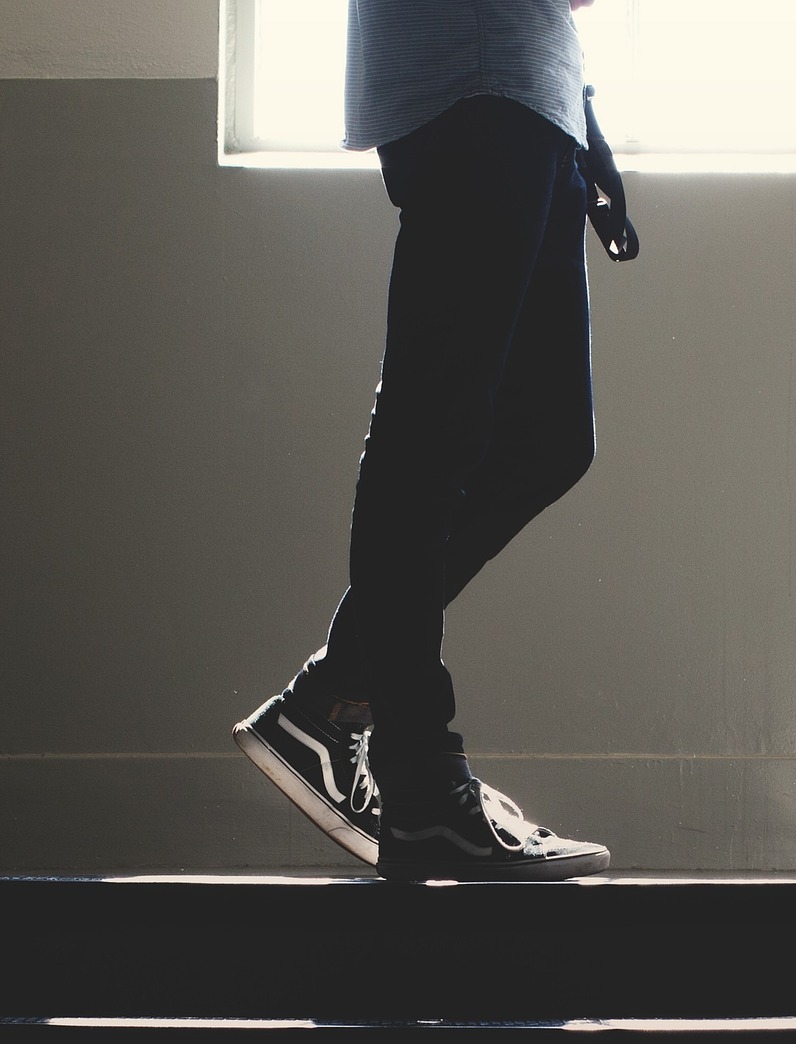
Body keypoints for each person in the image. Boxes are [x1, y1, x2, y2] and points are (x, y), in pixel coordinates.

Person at [234, 0, 638, 883]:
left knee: (547, 439)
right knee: (431, 431)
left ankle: (333, 698)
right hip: (476, 79)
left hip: (530, 87)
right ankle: (419, 780)